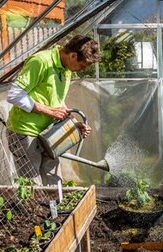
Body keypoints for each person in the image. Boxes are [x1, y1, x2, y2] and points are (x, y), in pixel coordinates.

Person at [6, 35, 101, 185]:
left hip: (49, 133)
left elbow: (57, 102)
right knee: (31, 184)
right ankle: (33, 209)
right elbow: (14, 95)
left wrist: (74, 124)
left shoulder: (66, 69)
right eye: (83, 65)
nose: (83, 70)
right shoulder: (41, 61)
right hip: (25, 132)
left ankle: (55, 207)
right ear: (73, 55)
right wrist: (49, 111)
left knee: (54, 179)